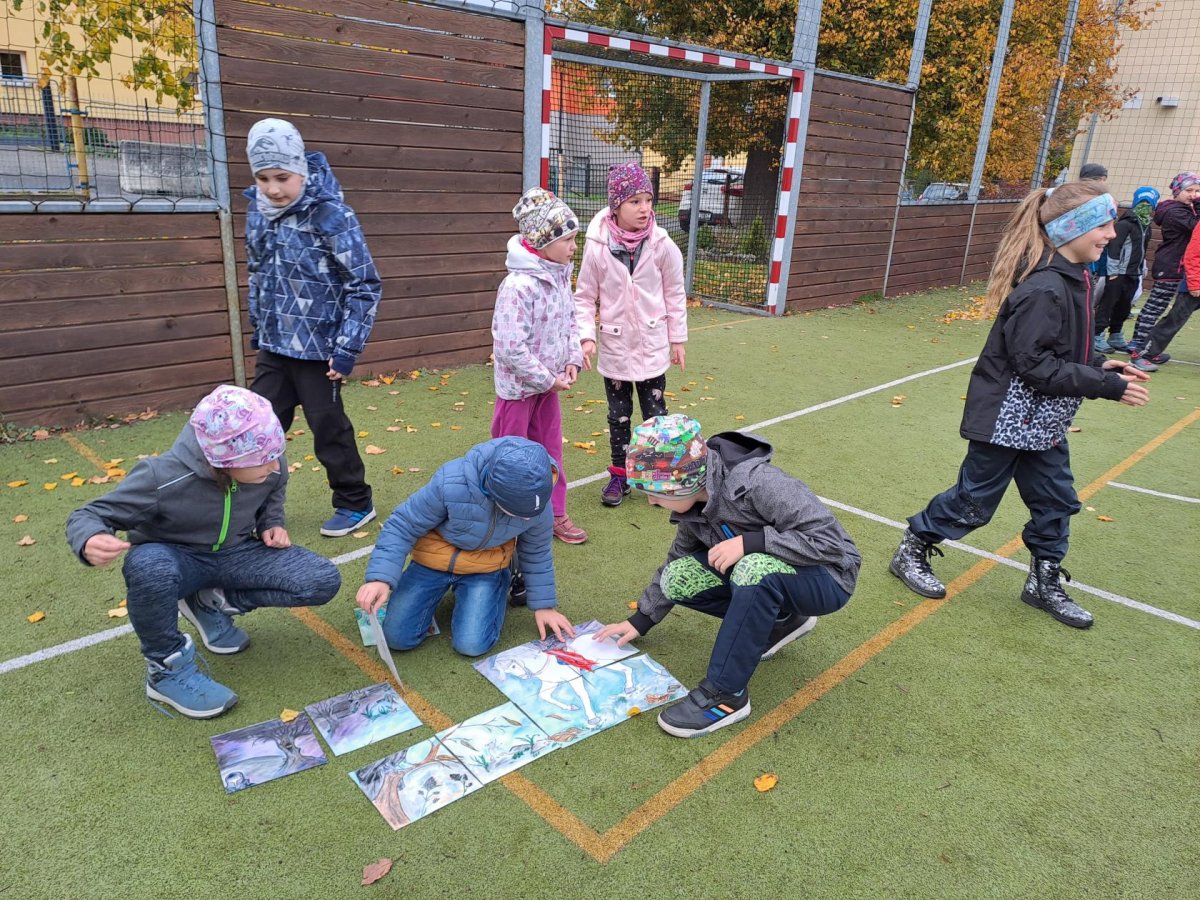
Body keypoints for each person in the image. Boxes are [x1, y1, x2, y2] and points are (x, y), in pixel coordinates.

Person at [889, 182, 1151, 629]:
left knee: (1056, 502)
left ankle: (1042, 582)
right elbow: (1035, 366)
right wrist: (1104, 385)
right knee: (973, 503)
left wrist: (1097, 363)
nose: (1112, 233)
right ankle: (912, 547)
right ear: (1073, 229)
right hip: (1006, 422)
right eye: (1103, 225)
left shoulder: (1075, 278)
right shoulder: (1045, 288)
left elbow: (1061, 349)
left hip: (1043, 423)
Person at [65, 385, 341, 719]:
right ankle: (165, 669)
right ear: (224, 460)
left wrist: (272, 521)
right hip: (177, 560)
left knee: (321, 579)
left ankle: (211, 601)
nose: (274, 465)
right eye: (262, 461)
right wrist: (90, 537)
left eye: (274, 455)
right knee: (148, 567)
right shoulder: (160, 476)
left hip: (237, 553)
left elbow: (274, 488)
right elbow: (89, 514)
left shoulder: (268, 461)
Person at [594, 415, 860, 738]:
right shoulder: (693, 505)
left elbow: (831, 545)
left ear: (682, 482)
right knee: (678, 576)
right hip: (779, 576)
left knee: (754, 569)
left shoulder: (759, 483)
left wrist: (752, 542)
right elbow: (678, 559)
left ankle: (726, 695)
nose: (650, 500)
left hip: (829, 577)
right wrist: (641, 620)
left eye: (655, 491)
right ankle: (782, 620)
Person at [243, 117, 382, 538]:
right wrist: (260, 326)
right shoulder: (258, 212)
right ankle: (251, 510)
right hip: (274, 345)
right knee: (257, 429)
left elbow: (364, 284)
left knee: (328, 429)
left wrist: (347, 348)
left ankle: (355, 502)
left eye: (282, 177)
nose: (273, 189)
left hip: (320, 350)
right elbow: (258, 272)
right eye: (263, 178)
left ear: (301, 169)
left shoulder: (331, 214)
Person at [356, 436, 575, 657]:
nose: (527, 518)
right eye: (518, 512)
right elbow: (403, 524)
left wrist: (544, 606)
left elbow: (537, 552)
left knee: (471, 645)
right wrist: (380, 578)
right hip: (433, 560)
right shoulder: (451, 482)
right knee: (396, 638)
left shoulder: (538, 501)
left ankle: (507, 573)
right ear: (493, 492)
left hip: (487, 566)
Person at [575, 162, 688, 508]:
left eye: (648, 200)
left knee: (656, 416)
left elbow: (675, 293)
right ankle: (619, 476)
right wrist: (586, 336)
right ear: (616, 206)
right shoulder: (598, 246)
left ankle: (659, 477)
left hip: (652, 346)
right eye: (634, 201)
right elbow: (584, 296)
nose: (644, 208)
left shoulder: (662, 244)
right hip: (616, 349)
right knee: (618, 416)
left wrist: (677, 339)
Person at [491, 187, 587, 545]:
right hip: (518, 394)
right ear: (544, 240)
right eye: (568, 239)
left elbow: (570, 322)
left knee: (551, 453)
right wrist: (547, 379)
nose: (574, 247)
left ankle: (555, 513)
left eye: (574, 239)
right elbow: (510, 348)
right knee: (510, 458)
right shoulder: (517, 287)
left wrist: (573, 358)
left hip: (548, 391)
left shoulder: (560, 276)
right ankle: (505, 518)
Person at [1128, 172, 1200, 366]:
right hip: (1172, 265)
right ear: (1177, 191)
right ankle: (1139, 346)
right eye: (1189, 190)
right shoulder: (1176, 212)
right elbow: (1196, 228)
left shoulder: (1184, 209)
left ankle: (1144, 346)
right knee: (1156, 307)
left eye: (1197, 191)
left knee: (1161, 307)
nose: (1193, 195)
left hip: (1177, 265)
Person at [1093, 186, 1158, 353]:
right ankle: (1096, 334)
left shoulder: (1146, 226)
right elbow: (1114, 248)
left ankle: (1115, 334)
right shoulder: (1124, 224)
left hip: (1133, 273)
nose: (1145, 206)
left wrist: (1142, 269)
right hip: (1118, 273)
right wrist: (1113, 271)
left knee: (1124, 306)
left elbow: (1142, 249)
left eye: (1149, 203)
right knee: (1108, 304)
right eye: (1142, 202)